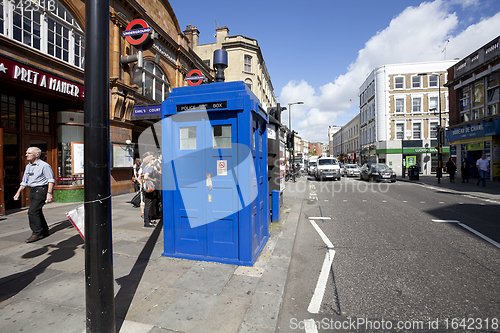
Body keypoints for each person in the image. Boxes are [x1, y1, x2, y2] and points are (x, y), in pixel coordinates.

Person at [13, 147, 55, 243]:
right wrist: (18, 192)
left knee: (32, 211)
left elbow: (51, 180)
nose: (26, 154)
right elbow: (24, 181)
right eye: (26, 152)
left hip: (41, 190)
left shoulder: (44, 166)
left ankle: (37, 232)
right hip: (32, 191)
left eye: (29, 153)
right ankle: (44, 230)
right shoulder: (28, 166)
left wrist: (49, 193)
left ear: (36, 155)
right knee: (37, 210)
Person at [142, 155, 158, 228]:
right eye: (153, 160)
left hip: (146, 188)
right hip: (149, 188)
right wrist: (153, 180)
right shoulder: (150, 168)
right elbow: (146, 177)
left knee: (147, 205)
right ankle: (146, 222)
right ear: (150, 161)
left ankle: (147, 220)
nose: (153, 161)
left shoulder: (145, 168)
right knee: (148, 205)